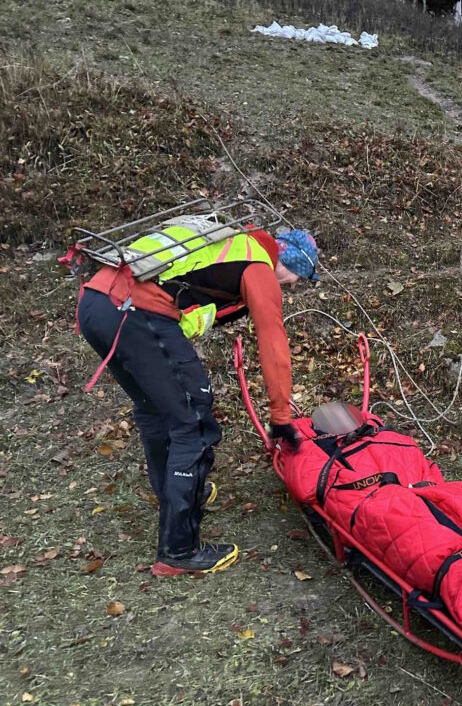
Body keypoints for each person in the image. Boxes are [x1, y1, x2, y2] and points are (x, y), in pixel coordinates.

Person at [77, 223, 319, 576]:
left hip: (96, 303)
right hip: (134, 311)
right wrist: (281, 415)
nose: (294, 284)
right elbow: (273, 341)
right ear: (287, 257)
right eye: (298, 274)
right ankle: (179, 550)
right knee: (193, 420)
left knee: (157, 409)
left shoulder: (231, 243)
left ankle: (176, 496)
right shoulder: (259, 266)